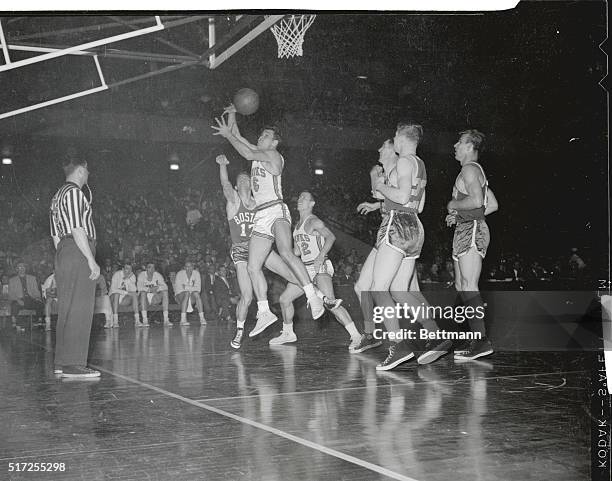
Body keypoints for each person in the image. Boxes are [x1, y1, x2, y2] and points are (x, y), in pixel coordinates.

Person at [212, 106, 325, 337]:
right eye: (261, 134)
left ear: (274, 143)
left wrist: (229, 136)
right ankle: (264, 312)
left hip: (275, 209)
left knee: (285, 251)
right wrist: (233, 114)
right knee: (253, 266)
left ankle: (314, 297)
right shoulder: (256, 151)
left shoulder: (272, 155)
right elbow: (240, 138)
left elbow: (245, 151)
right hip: (261, 216)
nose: (261, 137)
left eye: (266, 136)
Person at [216, 154, 338, 349]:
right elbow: (224, 184)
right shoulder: (233, 201)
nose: (246, 180)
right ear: (237, 186)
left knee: (290, 273)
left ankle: (318, 297)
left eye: (248, 178)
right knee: (247, 296)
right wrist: (222, 165)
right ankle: (239, 331)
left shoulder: (260, 205)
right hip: (241, 251)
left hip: (260, 246)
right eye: (241, 180)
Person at [371, 124, 451, 370]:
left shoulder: (404, 161)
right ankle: (435, 334)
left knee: (378, 288)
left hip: (398, 223)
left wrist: (381, 187)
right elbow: (421, 204)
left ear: (402, 139)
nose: (393, 140)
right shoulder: (419, 164)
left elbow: (403, 197)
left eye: (394, 136)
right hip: (415, 226)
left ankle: (398, 347)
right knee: (399, 290)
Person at [269, 192, 363, 351]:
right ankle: (287, 333)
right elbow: (297, 252)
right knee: (285, 299)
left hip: (320, 265)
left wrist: (320, 256)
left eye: (304, 198)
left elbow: (331, 237)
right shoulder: (297, 226)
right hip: (305, 268)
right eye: (298, 197)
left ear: (312, 203)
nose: (299, 200)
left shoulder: (314, 221)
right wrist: (282, 252)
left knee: (330, 303)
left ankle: (356, 336)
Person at [351, 150, 419, 355]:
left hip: (400, 235)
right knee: (363, 287)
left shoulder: (399, 172)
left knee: (401, 290)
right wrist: (377, 204)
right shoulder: (392, 174)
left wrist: (375, 179)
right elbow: (381, 195)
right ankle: (371, 335)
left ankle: (428, 333)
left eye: (383, 147)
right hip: (389, 236)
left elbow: (387, 194)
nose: (378, 150)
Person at [446, 129, 496, 360]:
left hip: (472, 230)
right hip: (466, 227)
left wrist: (454, 206)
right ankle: (476, 334)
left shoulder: (469, 168)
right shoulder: (471, 172)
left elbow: (477, 201)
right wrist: (459, 215)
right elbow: (491, 204)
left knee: (468, 284)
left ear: (469, 146)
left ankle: (481, 340)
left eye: (459, 142)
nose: (455, 145)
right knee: (461, 284)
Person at [49, 155, 100, 378]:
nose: (88, 175)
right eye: (87, 171)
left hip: (64, 252)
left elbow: (55, 235)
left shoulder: (56, 196)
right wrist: (90, 259)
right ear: (81, 170)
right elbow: (78, 228)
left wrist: (62, 258)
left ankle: (62, 361)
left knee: (67, 308)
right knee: (80, 309)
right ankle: (74, 364)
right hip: (78, 250)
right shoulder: (74, 192)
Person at [9, 261, 44, 329]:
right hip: (19, 299)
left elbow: (36, 290)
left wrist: (37, 297)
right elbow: (11, 293)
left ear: (25, 268)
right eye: (19, 267)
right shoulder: (12, 280)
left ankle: (39, 322)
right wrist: (18, 300)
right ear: (17, 269)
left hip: (30, 298)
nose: (21, 268)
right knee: (14, 305)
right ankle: (14, 323)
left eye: (23, 267)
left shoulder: (32, 278)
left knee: (40, 304)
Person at [137, 262, 170, 327]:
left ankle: (166, 319)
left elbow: (165, 286)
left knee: (165, 292)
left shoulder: (158, 275)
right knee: (143, 292)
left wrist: (157, 288)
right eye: (149, 267)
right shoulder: (141, 275)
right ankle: (144, 320)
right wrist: (150, 289)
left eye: (153, 267)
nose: (152, 269)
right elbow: (139, 288)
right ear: (146, 268)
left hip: (154, 297)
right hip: (143, 299)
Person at [174, 260, 206, 326]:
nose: (188, 268)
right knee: (186, 293)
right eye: (187, 267)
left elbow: (198, 289)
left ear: (193, 267)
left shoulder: (196, 273)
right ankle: (183, 319)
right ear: (184, 267)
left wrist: (186, 287)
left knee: (196, 294)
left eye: (190, 266)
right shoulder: (179, 274)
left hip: (191, 296)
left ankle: (202, 318)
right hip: (180, 296)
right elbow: (179, 289)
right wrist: (190, 288)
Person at [109, 263, 140, 327]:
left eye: (130, 269)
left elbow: (134, 290)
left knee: (134, 295)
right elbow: (113, 289)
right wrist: (126, 293)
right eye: (127, 268)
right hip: (113, 298)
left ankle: (137, 320)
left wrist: (128, 279)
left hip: (124, 299)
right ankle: (115, 321)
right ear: (123, 269)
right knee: (117, 294)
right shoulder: (117, 274)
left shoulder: (132, 276)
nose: (128, 271)